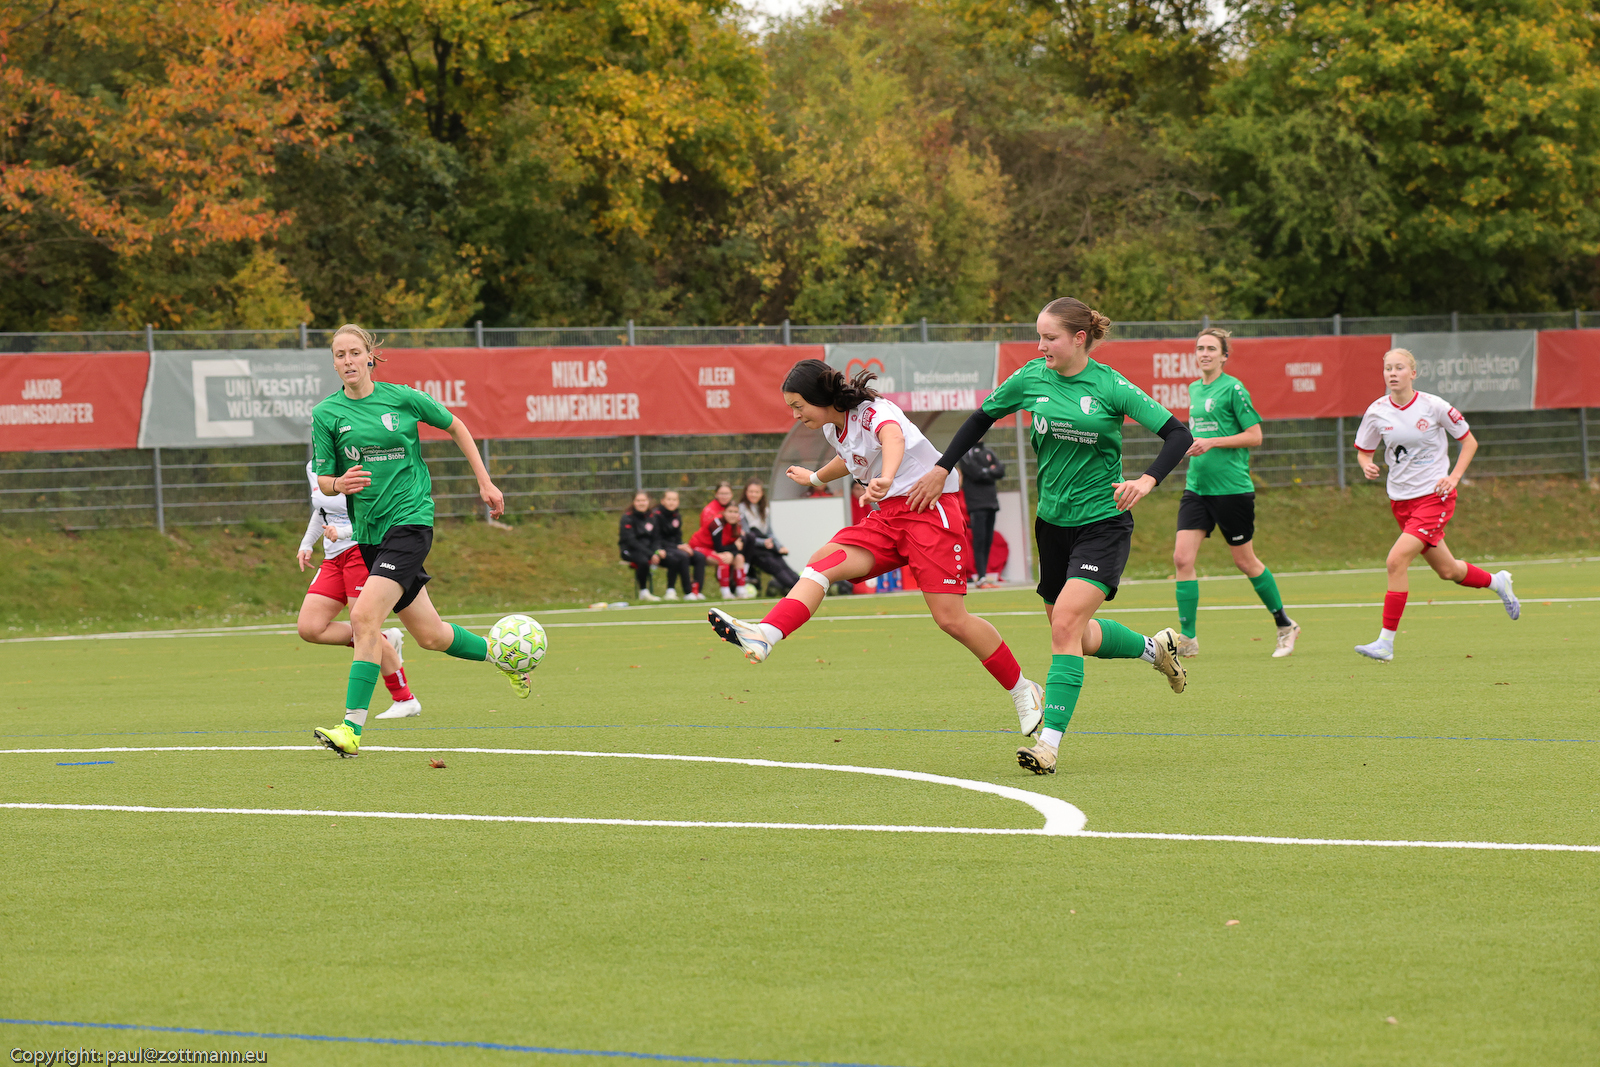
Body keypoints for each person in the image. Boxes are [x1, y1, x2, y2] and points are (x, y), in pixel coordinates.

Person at [907, 297, 1194, 775]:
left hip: (1102, 523)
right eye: (1038, 336)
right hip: (1052, 526)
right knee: (1077, 636)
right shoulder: (1031, 377)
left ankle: (1049, 745)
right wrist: (942, 467)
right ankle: (1155, 649)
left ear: (1079, 339)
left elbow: (1178, 434)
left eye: (1050, 337)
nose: (1041, 346)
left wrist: (1147, 480)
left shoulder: (1109, 385)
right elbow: (980, 418)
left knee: (1064, 626)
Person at [707, 359, 1046, 737]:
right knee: (822, 562)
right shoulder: (833, 428)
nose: (795, 415)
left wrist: (885, 477)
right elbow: (850, 457)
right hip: (889, 517)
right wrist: (816, 478)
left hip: (929, 511)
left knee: (951, 619)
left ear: (821, 397)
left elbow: (892, 439)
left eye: (798, 406)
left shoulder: (873, 411)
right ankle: (765, 634)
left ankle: (1023, 689)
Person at [308, 323, 526, 759]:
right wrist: (339, 484)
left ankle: (351, 728)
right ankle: (503, 656)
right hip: (369, 533)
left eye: (355, 352)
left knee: (364, 617)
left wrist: (485, 482)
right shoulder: (326, 414)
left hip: (410, 523)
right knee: (430, 635)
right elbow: (325, 479)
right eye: (339, 355)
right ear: (333, 363)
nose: (348, 361)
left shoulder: (402, 398)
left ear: (370, 357)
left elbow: (456, 426)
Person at [1351, 348, 1519, 661]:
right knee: (1448, 570)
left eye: (1399, 368)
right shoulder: (1376, 411)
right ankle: (1498, 582)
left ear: (1413, 373)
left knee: (1395, 561)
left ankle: (1385, 643)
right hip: (1401, 502)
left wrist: (1454, 477)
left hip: (1434, 497)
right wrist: (1366, 465)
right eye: (1388, 368)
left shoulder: (1433, 406)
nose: (1392, 373)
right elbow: (1364, 451)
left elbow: (1469, 441)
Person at [1172, 328, 1299, 659]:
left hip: (1232, 489)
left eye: (1211, 349)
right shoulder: (1194, 389)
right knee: (1182, 558)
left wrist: (1213, 442)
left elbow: (1255, 436)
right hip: (1197, 487)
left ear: (1224, 356)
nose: (1204, 353)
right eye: (1200, 348)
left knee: (1245, 561)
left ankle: (1285, 624)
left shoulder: (1234, 389)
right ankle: (1188, 638)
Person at [294, 461, 420, 718]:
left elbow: (378, 515)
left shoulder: (361, 463)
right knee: (310, 627)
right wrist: (307, 543)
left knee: (364, 627)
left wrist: (343, 532)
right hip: (333, 558)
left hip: (361, 550)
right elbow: (322, 510)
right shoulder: (313, 466)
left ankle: (405, 699)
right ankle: (384, 640)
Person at [738, 480, 801, 596]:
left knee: (783, 565)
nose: (753, 494)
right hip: (753, 548)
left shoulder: (764, 510)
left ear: (761, 493)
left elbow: (770, 533)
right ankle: (795, 589)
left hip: (767, 546)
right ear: (746, 492)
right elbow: (746, 535)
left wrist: (779, 546)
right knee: (776, 567)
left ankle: (803, 586)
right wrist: (763, 543)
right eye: (751, 491)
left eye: (757, 492)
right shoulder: (741, 509)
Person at [958, 442, 1005, 588]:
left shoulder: (989, 452)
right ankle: (981, 577)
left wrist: (986, 472)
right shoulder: (966, 454)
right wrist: (990, 471)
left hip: (991, 503)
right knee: (979, 541)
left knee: (988, 541)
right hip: (976, 504)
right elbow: (975, 473)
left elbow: (1000, 470)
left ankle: (984, 575)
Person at [690, 489, 750, 598]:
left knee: (739, 558)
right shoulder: (716, 523)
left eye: (735, 512)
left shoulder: (737, 526)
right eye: (730, 511)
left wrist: (733, 552)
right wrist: (733, 550)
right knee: (723, 559)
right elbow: (719, 548)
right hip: (699, 546)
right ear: (724, 512)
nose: (732, 515)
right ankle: (725, 592)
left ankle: (741, 590)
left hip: (716, 550)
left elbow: (738, 548)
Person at [649, 489, 703, 600]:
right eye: (669, 499)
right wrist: (677, 546)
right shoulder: (656, 516)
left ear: (678, 502)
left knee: (699, 557)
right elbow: (656, 539)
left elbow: (677, 537)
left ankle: (697, 591)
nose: (671, 502)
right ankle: (688, 592)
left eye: (674, 500)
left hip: (674, 547)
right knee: (682, 556)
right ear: (663, 501)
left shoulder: (676, 515)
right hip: (662, 549)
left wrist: (683, 545)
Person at [618, 491, 663, 602]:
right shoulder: (627, 518)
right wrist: (650, 554)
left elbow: (656, 538)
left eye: (643, 500)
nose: (641, 503)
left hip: (648, 551)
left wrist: (656, 552)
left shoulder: (653, 517)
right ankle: (643, 591)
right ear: (634, 502)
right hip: (630, 550)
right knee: (643, 560)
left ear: (648, 502)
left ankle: (672, 592)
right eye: (638, 501)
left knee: (675, 557)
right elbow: (631, 541)